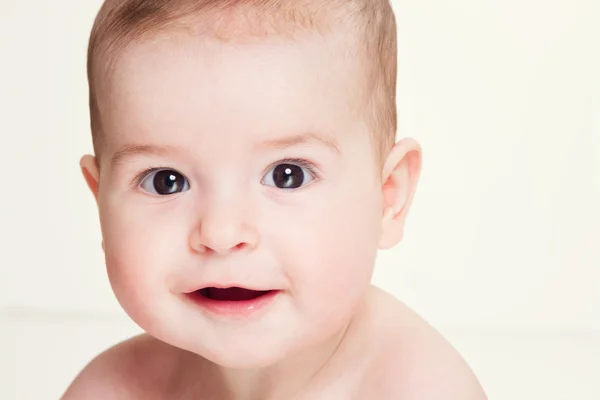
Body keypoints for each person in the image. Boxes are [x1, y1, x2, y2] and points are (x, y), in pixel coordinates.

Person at [63, 0, 487, 398]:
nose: (222, 233)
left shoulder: (421, 388)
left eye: (288, 176)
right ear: (100, 205)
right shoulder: (113, 389)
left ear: (388, 196)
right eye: (165, 181)